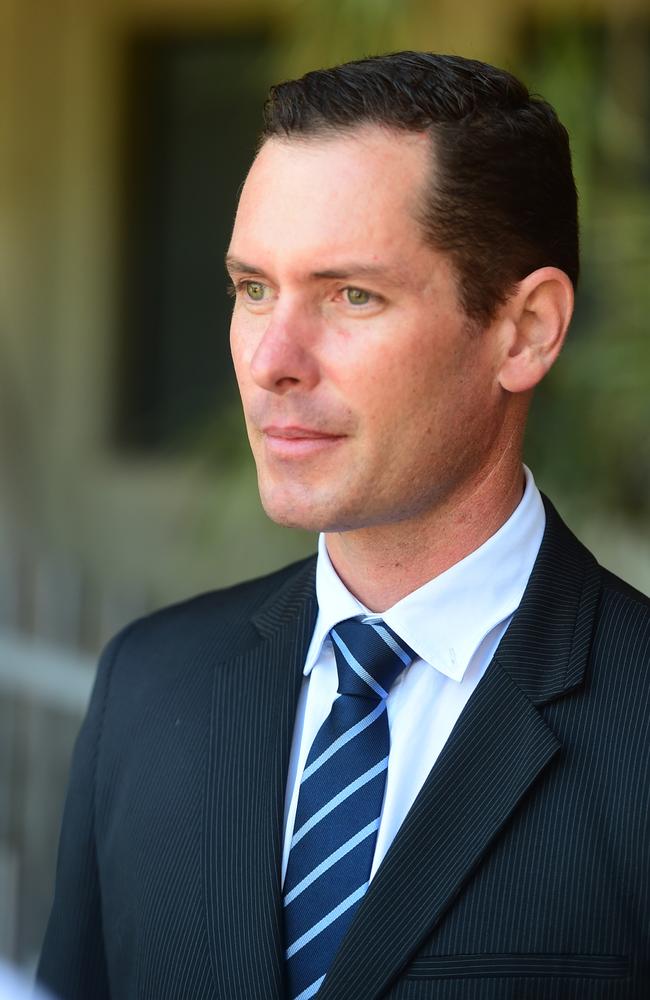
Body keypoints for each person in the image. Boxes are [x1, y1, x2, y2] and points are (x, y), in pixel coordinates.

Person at [38, 52, 649, 1000]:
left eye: (350, 295)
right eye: (253, 290)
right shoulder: (148, 685)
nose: (272, 360)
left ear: (525, 329)